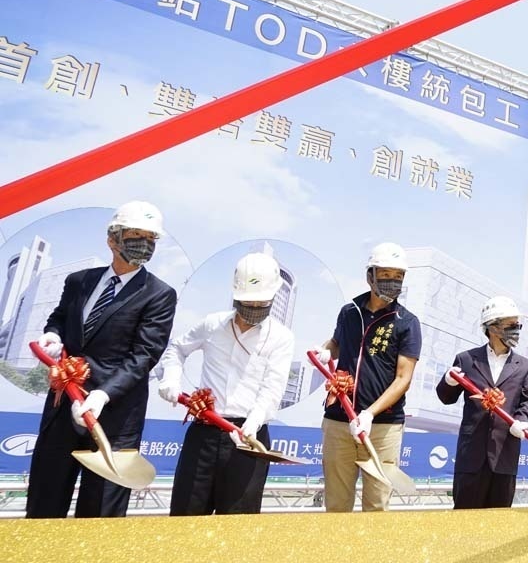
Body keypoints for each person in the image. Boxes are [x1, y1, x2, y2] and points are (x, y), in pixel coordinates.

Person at [26, 201, 178, 519]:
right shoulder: (79, 281)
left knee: (100, 516)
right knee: (44, 504)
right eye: (136, 234)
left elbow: (144, 355)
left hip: (114, 419)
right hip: (62, 409)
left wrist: (101, 393)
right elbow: (58, 319)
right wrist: (53, 337)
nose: (144, 244)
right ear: (113, 238)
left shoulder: (159, 294)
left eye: (151, 238)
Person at [157, 252, 295, 515]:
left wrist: (252, 425)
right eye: (248, 303)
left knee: (236, 526)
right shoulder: (212, 324)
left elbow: (272, 388)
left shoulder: (281, 337)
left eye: (261, 304)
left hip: (248, 439)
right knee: (186, 517)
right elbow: (177, 348)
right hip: (205, 431)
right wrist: (171, 377)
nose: (254, 310)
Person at [310, 243, 422, 512]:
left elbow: (403, 378)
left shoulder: (407, 322)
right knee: (336, 503)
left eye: (398, 276)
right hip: (339, 420)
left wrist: (370, 414)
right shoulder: (349, 311)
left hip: (382, 427)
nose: (392, 282)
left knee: (376, 504)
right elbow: (338, 342)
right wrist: (326, 351)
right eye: (385, 275)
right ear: (370, 275)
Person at [435, 296, 528, 510]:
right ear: (492, 328)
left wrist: (523, 420)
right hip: (471, 457)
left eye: (518, 325)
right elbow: (446, 397)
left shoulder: (526, 367)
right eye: (511, 325)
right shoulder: (466, 359)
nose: (517, 330)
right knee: (465, 518)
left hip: (504, 456)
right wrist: (448, 381)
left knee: (499, 522)